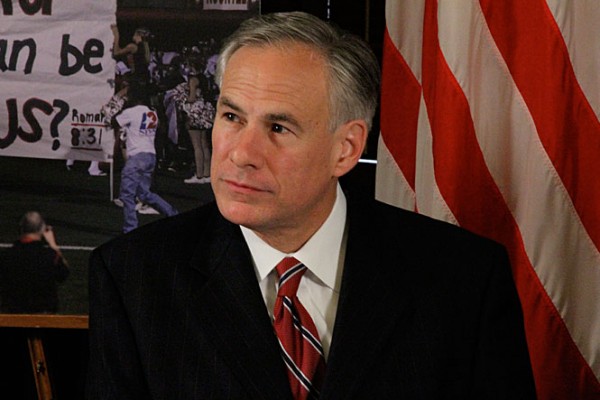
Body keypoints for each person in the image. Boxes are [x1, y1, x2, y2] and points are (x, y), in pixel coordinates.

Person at [87, 12, 536, 399]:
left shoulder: (464, 279)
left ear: (346, 149)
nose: (241, 153)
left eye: (279, 128)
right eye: (232, 116)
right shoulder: (133, 276)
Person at [113, 81, 178, 233]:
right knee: (145, 194)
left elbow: (112, 121)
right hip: (150, 155)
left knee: (127, 195)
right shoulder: (152, 113)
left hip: (136, 157)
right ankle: (172, 214)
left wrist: (117, 100)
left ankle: (130, 229)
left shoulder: (131, 112)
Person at [0, 211, 69, 314]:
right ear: (42, 229)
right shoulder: (50, 256)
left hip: (13, 316)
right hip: (43, 316)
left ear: (21, 228)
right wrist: (53, 245)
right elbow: (64, 274)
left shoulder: (6, 256)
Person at [181, 57, 215, 184]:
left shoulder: (193, 80)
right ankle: (207, 174)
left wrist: (182, 100)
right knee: (204, 144)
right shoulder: (204, 78)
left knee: (197, 146)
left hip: (195, 112)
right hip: (205, 112)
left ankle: (199, 175)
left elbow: (192, 98)